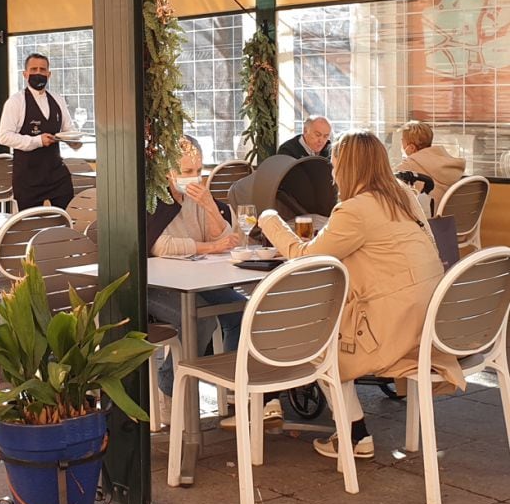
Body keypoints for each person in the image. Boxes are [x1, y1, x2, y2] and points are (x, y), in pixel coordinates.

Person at [259, 130, 465, 460]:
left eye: (334, 163)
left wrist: (269, 219)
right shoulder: (404, 196)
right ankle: (349, 431)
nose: (332, 170)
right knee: (326, 329)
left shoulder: (355, 210)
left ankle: (354, 435)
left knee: (315, 342)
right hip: (430, 322)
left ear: (346, 167)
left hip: (395, 330)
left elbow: (304, 257)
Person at [143, 136, 271, 423]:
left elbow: (227, 238)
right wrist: (209, 247)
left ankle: (233, 384)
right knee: (200, 320)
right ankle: (169, 388)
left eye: (199, 170)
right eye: (187, 171)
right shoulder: (154, 200)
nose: (195, 177)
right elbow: (159, 246)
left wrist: (211, 206)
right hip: (155, 285)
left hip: (194, 277)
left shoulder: (198, 198)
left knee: (241, 311)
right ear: (168, 172)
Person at [0, 52, 76, 210]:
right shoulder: (16, 102)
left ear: (49, 74)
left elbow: (68, 129)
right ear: (25, 74)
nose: (38, 73)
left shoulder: (57, 99)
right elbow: (4, 137)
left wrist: (76, 141)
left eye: (42, 69)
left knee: (67, 217)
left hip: (56, 174)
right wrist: (37, 141)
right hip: (28, 177)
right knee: (30, 222)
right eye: (34, 69)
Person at [394, 120, 465, 208]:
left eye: (402, 141)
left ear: (411, 147)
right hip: (449, 215)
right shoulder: (449, 162)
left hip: (427, 214)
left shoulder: (408, 166)